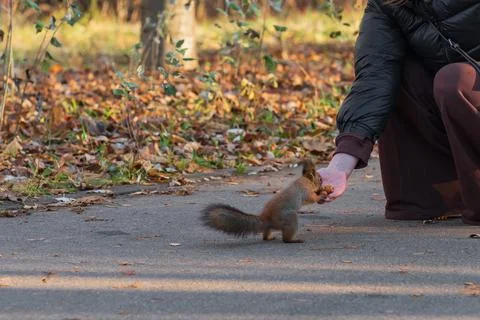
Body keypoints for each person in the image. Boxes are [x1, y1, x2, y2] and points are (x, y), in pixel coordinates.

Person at [316, 0, 480, 225]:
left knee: (455, 80)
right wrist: (340, 167)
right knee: (400, 73)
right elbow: (374, 79)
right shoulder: (387, 4)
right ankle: (445, 193)